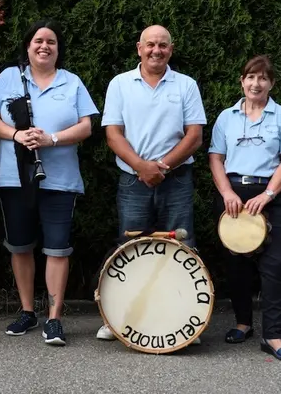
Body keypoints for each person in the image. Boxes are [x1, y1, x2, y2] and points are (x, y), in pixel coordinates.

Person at [0, 19, 98, 346]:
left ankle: (54, 318)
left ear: (58, 49)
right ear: (28, 45)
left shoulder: (71, 82)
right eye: (38, 40)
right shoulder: (8, 78)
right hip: (14, 177)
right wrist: (17, 134)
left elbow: (86, 126)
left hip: (59, 179)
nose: (44, 46)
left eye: (51, 41)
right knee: (20, 245)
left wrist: (52, 139)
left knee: (57, 248)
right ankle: (26, 311)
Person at [97, 24, 207, 341]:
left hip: (177, 179)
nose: (156, 50)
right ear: (139, 48)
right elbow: (113, 134)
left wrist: (161, 167)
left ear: (170, 50)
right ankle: (118, 318)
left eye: (162, 45)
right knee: (129, 248)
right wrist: (142, 167)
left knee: (182, 249)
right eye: (150, 45)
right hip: (133, 180)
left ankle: (189, 320)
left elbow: (195, 136)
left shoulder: (185, 85)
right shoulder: (120, 84)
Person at [207, 55, 281, 363]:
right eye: (250, 77)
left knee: (275, 266)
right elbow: (216, 159)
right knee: (237, 266)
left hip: (272, 194)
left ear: (271, 83)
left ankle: (272, 335)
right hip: (233, 194)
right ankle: (242, 323)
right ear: (242, 81)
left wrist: (269, 194)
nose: (256, 83)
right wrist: (226, 192)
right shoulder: (226, 117)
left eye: (262, 78)